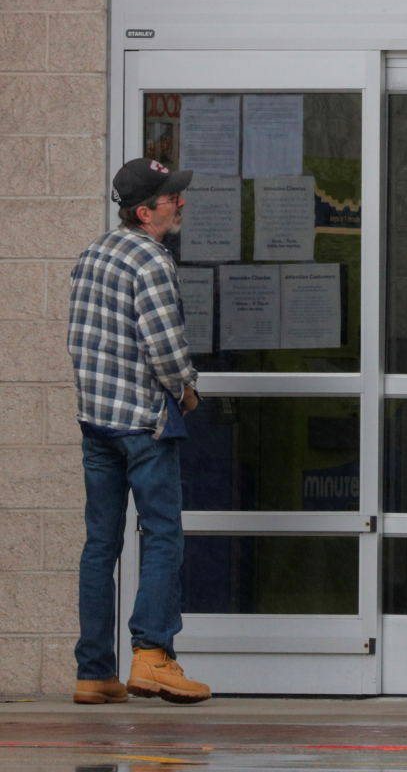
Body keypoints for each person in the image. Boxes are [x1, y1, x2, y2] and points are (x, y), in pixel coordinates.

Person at [68, 158, 209, 705]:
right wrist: (187, 390)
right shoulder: (150, 260)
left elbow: (82, 341)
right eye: (173, 198)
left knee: (100, 546)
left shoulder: (94, 254)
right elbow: (166, 349)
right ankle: (153, 657)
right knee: (163, 535)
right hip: (142, 424)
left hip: (96, 421)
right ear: (145, 211)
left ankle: (94, 673)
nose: (182, 204)